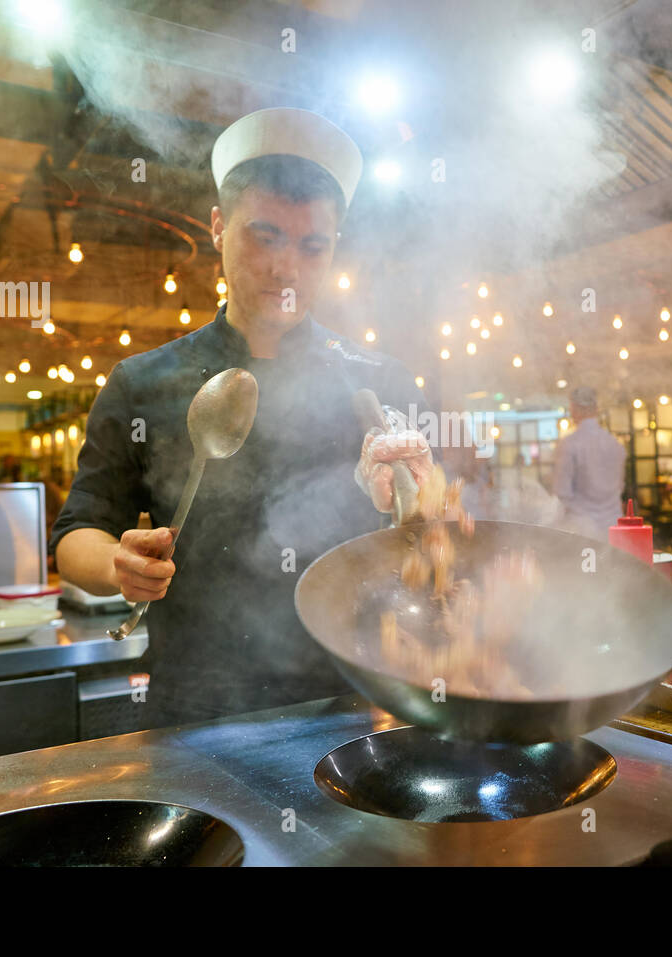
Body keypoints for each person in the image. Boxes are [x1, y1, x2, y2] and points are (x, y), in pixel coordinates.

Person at [51, 108, 431, 728]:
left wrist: (411, 501)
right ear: (218, 228)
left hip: (348, 707)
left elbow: (423, 540)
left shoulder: (377, 381)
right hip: (192, 714)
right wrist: (118, 565)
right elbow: (75, 536)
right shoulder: (143, 383)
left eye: (313, 246)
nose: (286, 268)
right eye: (265, 236)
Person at [552, 386, 626, 541]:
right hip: (613, 527)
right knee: (614, 565)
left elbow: (562, 492)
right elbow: (620, 487)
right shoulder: (615, 444)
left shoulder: (569, 444)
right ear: (596, 408)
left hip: (582, 530)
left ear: (575, 408)